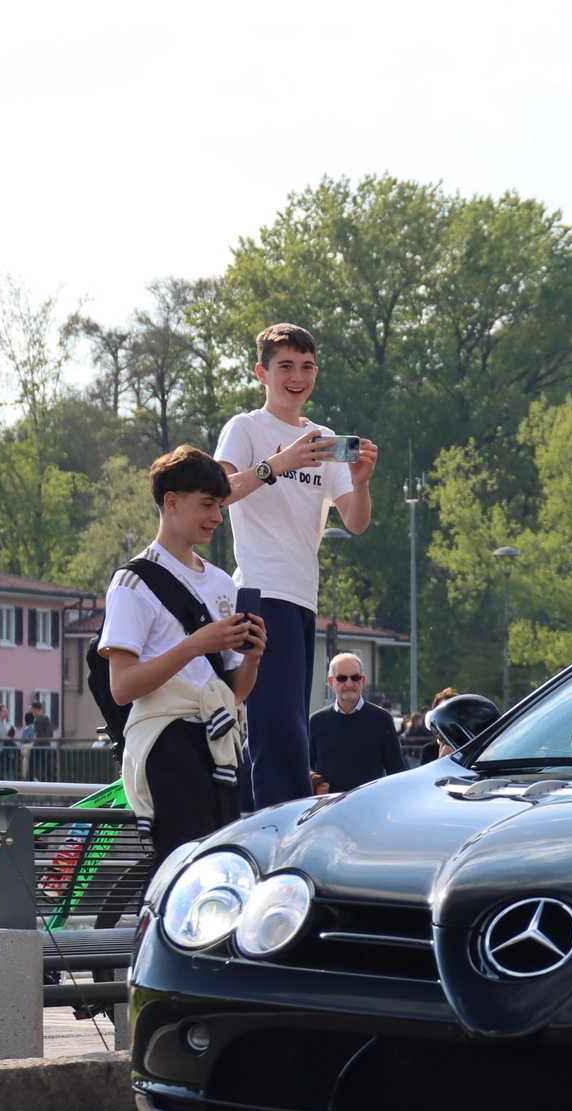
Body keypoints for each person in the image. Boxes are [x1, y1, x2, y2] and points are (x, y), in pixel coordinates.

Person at [216, 324, 378, 810]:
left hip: (302, 597)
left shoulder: (324, 439)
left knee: (289, 724)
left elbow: (356, 522)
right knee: (278, 729)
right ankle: (273, 833)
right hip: (262, 594)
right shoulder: (245, 428)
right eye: (285, 366)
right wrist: (277, 464)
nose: (297, 376)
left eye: (306, 366)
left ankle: (267, 821)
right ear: (261, 372)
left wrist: (362, 480)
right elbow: (220, 493)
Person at [100, 448, 266, 862]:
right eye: (207, 505)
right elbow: (121, 687)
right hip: (166, 741)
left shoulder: (223, 583)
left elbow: (235, 693)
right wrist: (196, 644)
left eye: (221, 506)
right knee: (179, 868)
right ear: (171, 502)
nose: (217, 518)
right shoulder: (131, 583)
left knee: (219, 865)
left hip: (218, 737)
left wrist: (253, 657)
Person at [308, 653, 407, 794]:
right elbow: (305, 765)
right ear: (331, 682)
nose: (349, 684)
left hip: (369, 807)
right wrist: (315, 782)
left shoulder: (381, 719)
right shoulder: (317, 721)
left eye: (355, 677)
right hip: (329, 809)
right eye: (342, 678)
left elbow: (396, 771)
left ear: (363, 680)